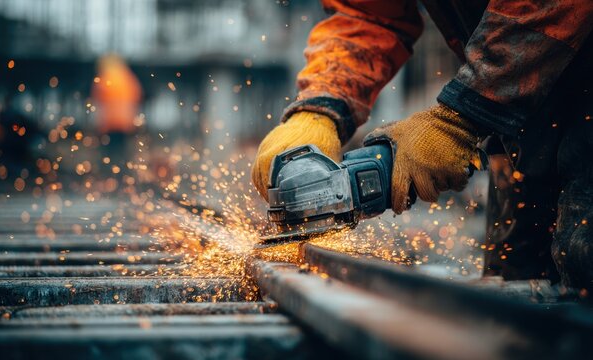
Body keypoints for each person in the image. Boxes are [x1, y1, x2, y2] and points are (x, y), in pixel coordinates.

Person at [251, 1, 593, 289]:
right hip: (519, 124)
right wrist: (320, 106)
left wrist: (461, 117)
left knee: (581, 272)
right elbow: (367, 14)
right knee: (514, 293)